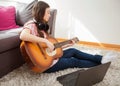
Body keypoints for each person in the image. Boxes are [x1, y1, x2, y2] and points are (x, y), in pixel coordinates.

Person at [20, 1, 115, 73]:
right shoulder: (31, 24)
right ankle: (101, 65)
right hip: (45, 65)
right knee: (73, 61)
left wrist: (67, 44)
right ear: (41, 13)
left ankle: (101, 59)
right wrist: (45, 41)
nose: (50, 15)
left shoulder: (43, 28)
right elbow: (23, 35)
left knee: (73, 50)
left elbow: (53, 49)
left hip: (51, 57)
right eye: (48, 12)